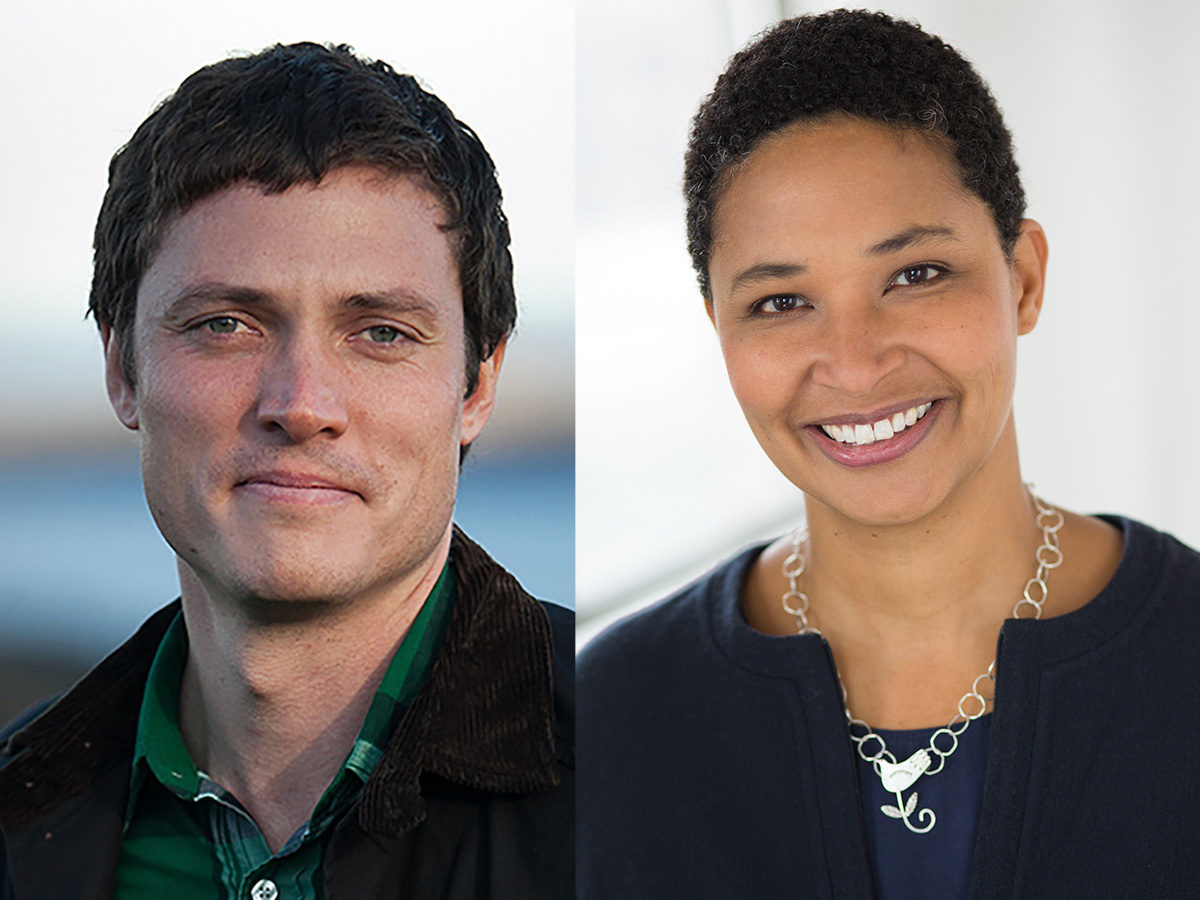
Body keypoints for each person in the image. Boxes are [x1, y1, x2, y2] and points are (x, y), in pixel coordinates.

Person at [578, 10, 1200, 898]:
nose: (858, 364)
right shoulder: (613, 722)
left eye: (914, 275)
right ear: (719, 330)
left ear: (1022, 277)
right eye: (782, 303)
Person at [0, 42, 572, 898]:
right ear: (122, 368)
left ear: (477, 384)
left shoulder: (667, 771)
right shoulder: (19, 811)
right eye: (226, 325)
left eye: (381, 333)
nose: (302, 404)